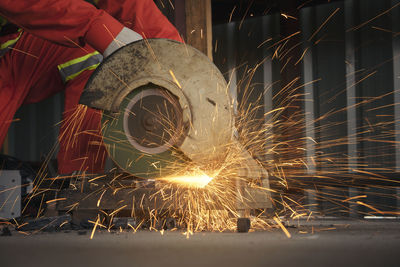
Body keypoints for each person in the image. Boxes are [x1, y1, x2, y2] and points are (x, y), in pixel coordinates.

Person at [0, 0, 182, 175]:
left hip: (24, 37)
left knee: (99, 56)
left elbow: (132, 5)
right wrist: (94, 26)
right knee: (101, 33)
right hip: (18, 25)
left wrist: (179, 71)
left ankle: (79, 186)